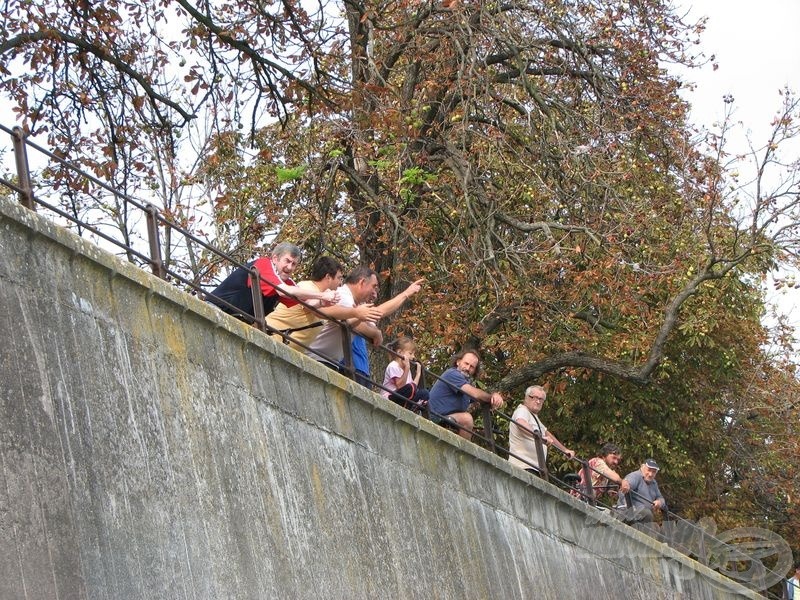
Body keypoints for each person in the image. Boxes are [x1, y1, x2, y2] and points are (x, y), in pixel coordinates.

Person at [306, 266, 422, 371]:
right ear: (362, 282)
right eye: (374, 287)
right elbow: (352, 322)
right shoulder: (342, 295)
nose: (375, 293)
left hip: (329, 361)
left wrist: (406, 294)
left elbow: (376, 314)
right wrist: (375, 333)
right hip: (316, 358)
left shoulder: (358, 305)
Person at [266, 256, 382, 351]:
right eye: (339, 278)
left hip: (284, 348)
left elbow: (346, 321)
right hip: (270, 338)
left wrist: (359, 315)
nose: (340, 283)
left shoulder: (324, 297)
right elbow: (314, 308)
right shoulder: (306, 287)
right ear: (328, 277)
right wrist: (356, 312)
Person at [207, 242, 339, 320]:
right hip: (215, 309)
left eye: (294, 264)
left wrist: (322, 302)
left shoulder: (287, 282)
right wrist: (322, 294)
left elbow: (307, 303)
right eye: (287, 261)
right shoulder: (263, 264)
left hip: (234, 319)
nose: (289, 267)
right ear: (275, 259)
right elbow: (283, 291)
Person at [428, 349, 504, 440]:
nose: (468, 368)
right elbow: (476, 394)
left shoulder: (466, 383)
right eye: (466, 363)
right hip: (432, 417)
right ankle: (462, 453)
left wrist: (494, 398)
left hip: (445, 418)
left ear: (475, 370)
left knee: (469, 422)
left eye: (472, 367)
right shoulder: (452, 374)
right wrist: (492, 397)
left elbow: (480, 397)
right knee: (466, 419)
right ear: (458, 362)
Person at [507, 385, 574, 476]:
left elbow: (546, 433)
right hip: (523, 466)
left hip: (534, 468)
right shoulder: (522, 411)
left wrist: (564, 450)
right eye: (535, 398)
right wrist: (540, 437)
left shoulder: (534, 417)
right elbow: (520, 422)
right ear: (527, 397)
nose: (538, 401)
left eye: (541, 399)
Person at [381, 337, 429, 411]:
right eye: (410, 353)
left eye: (413, 354)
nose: (413, 357)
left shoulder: (407, 368)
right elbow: (400, 385)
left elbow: (414, 388)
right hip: (391, 396)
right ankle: (411, 405)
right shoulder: (393, 366)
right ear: (399, 352)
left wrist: (418, 374)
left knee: (425, 393)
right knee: (410, 387)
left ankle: (412, 406)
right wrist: (407, 368)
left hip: (403, 397)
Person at [616, 458, 667, 523]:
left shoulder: (654, 483)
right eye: (649, 470)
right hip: (628, 513)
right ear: (642, 467)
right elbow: (624, 488)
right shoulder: (635, 476)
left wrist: (659, 502)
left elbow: (660, 497)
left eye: (653, 472)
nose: (650, 474)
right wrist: (628, 507)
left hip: (642, 518)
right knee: (647, 514)